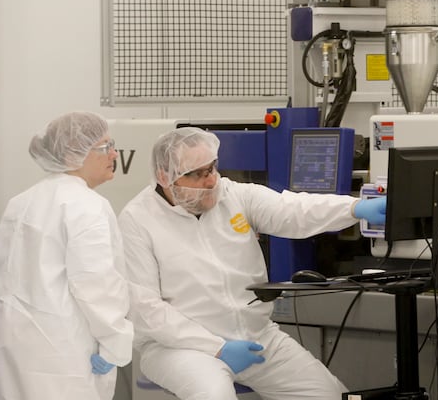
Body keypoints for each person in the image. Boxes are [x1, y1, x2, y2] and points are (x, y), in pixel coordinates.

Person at [118, 127, 387, 400]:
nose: (211, 181)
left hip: (256, 336)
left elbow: (291, 209)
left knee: (327, 394)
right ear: (166, 177)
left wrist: (353, 209)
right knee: (214, 395)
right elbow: (146, 309)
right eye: (197, 174)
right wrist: (216, 348)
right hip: (180, 348)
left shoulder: (233, 195)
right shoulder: (138, 220)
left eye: (211, 168)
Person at [0, 112, 134, 400]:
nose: (114, 154)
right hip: (58, 352)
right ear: (76, 153)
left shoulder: (22, 200)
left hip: (5, 345)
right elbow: (95, 283)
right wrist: (116, 343)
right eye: (105, 147)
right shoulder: (87, 205)